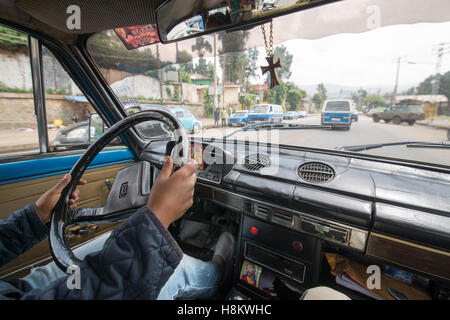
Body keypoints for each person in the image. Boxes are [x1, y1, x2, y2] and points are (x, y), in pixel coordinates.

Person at [0, 156, 234, 300]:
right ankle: (217, 273)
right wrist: (160, 214)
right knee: (177, 268)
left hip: (14, 290)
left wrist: (34, 218)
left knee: (111, 240)